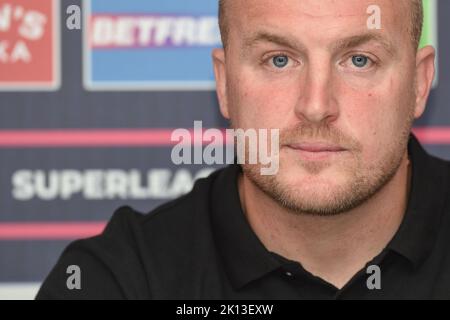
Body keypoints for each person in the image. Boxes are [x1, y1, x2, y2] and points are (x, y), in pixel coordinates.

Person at [37, 0, 449, 299]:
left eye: (359, 60)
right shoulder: (118, 282)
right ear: (224, 84)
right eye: (279, 60)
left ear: (418, 83)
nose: (317, 106)